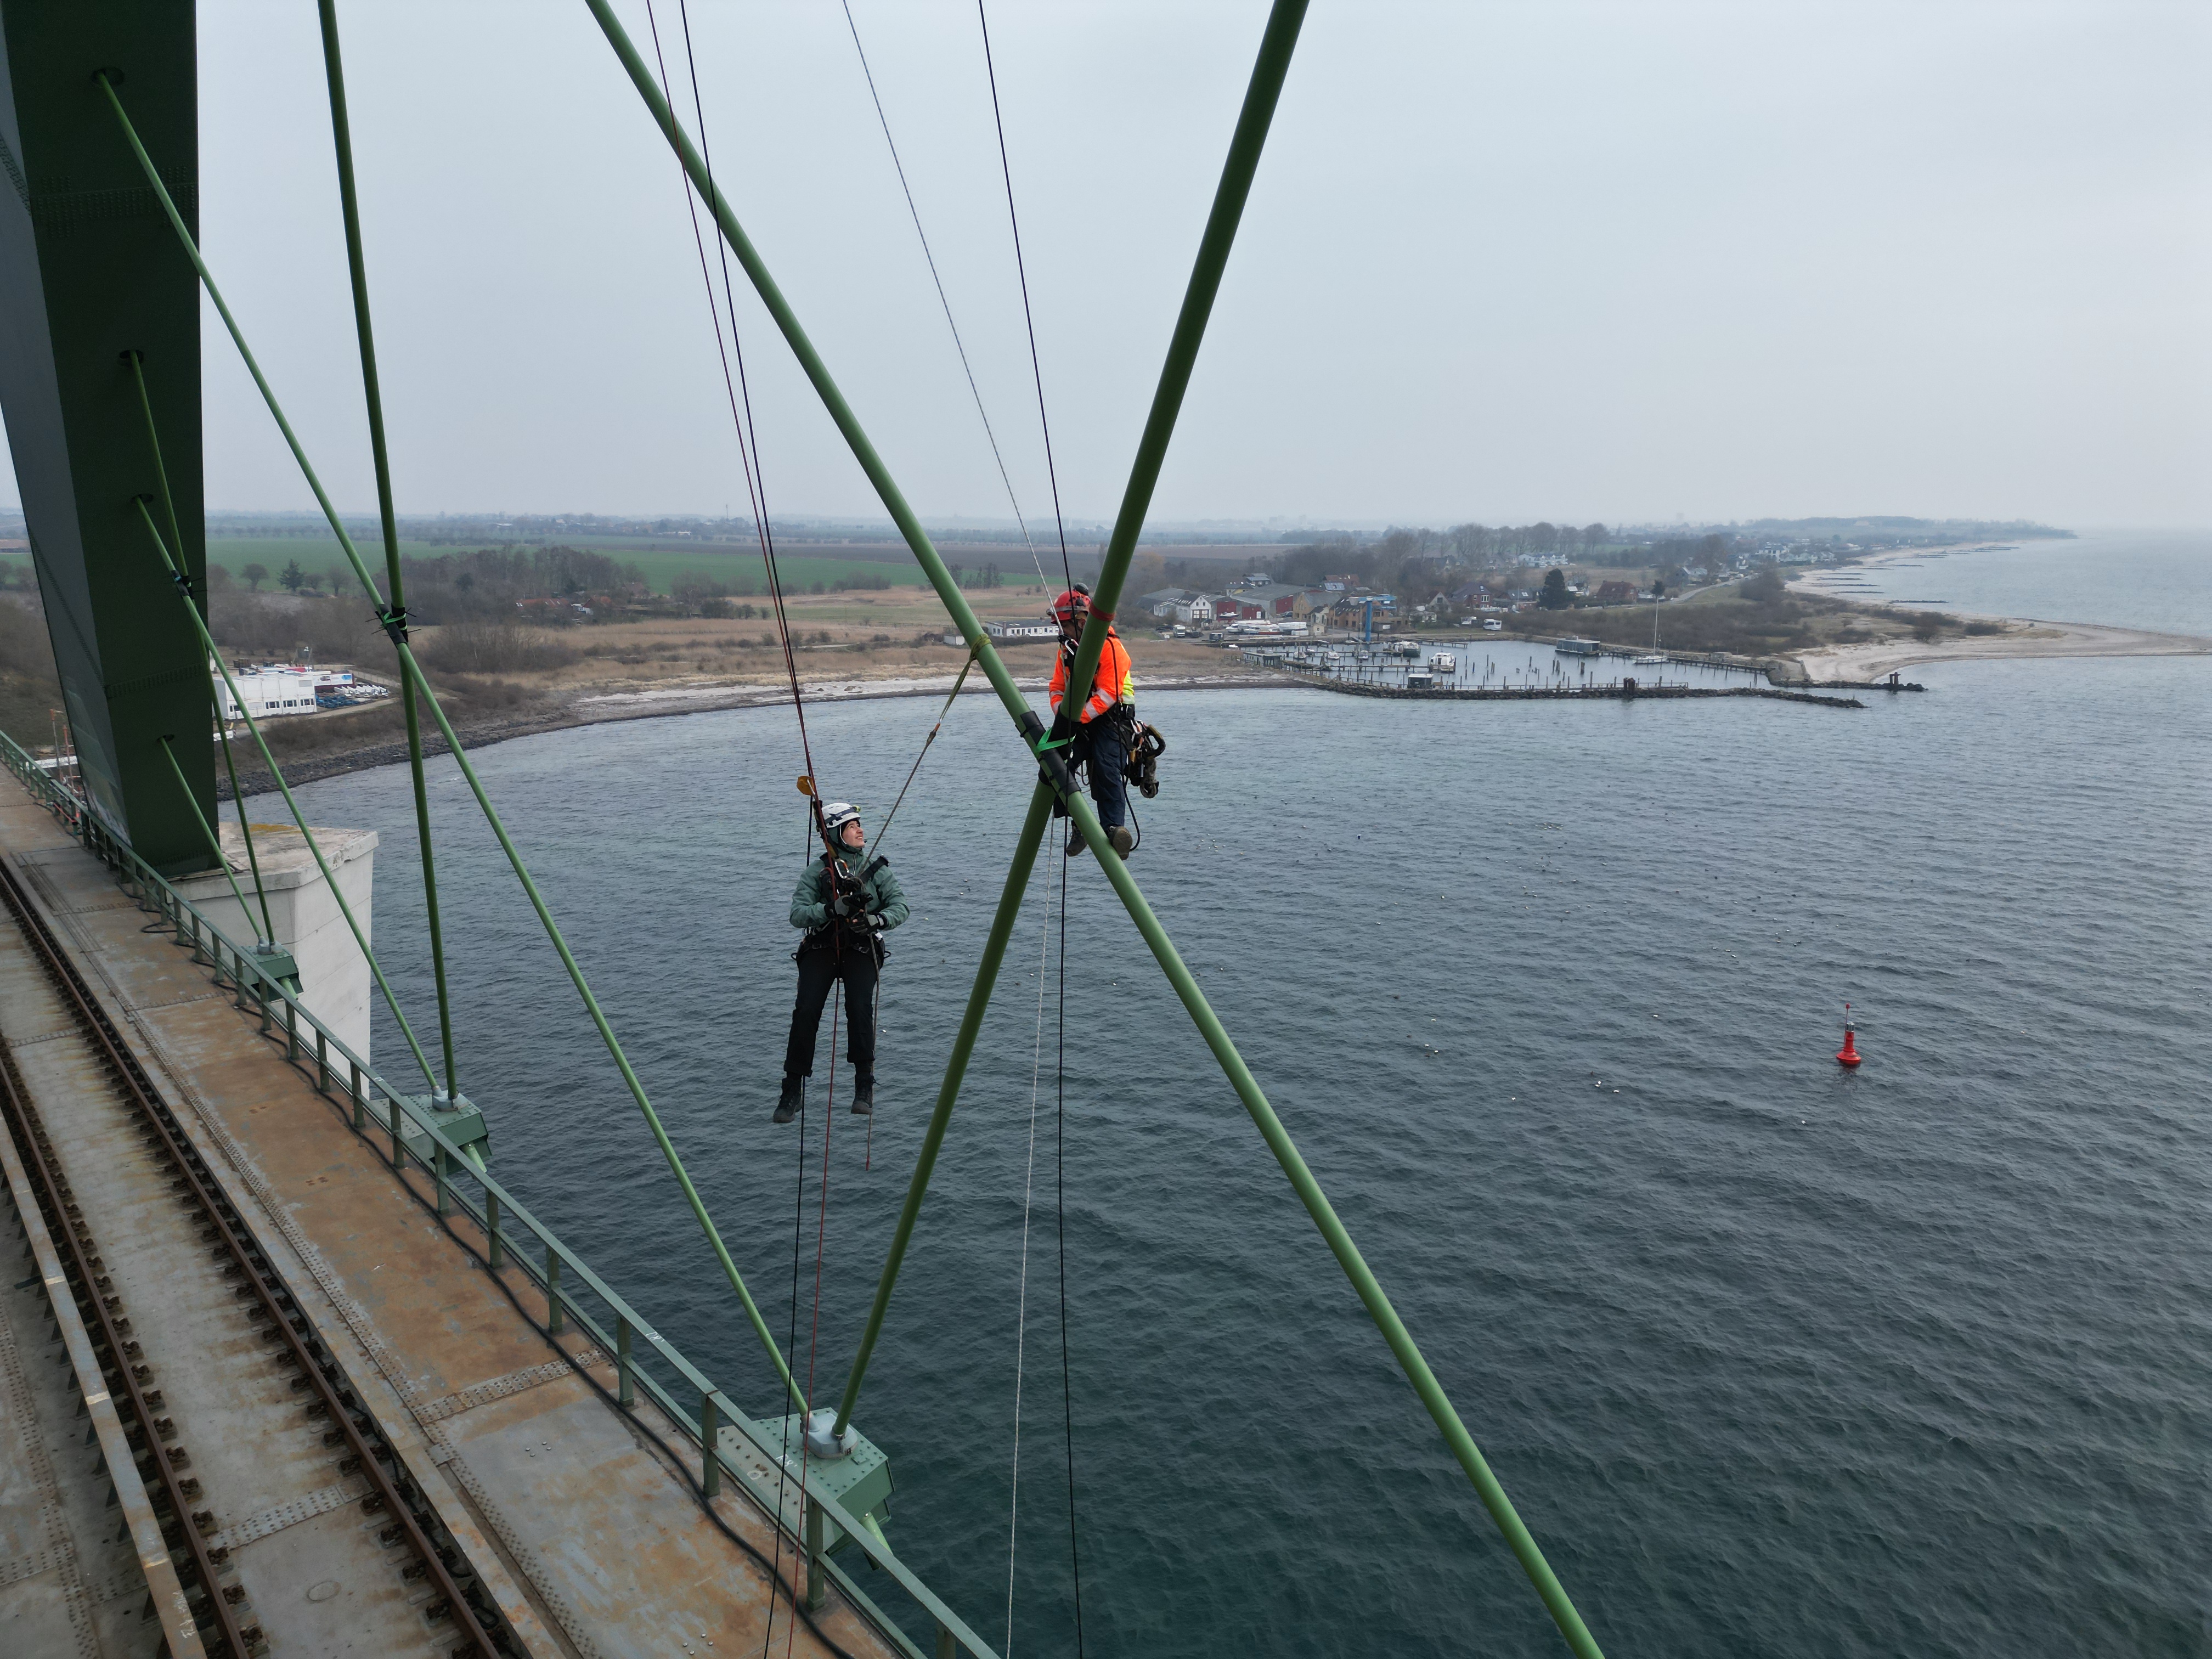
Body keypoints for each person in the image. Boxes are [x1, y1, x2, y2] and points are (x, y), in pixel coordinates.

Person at [776, 803, 907, 1123]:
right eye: (852, 826)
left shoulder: (877, 870)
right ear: (837, 834)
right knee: (806, 1008)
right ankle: (792, 1089)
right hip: (823, 943)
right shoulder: (818, 872)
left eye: (859, 824)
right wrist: (830, 909)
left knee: (859, 1005)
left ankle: (864, 1084)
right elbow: (797, 915)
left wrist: (876, 921)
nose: (861, 830)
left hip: (861, 946)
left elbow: (901, 906)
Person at [1047, 586, 1137, 859]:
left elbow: (1109, 694)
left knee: (1107, 767)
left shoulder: (1111, 647)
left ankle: (1114, 828)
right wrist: (1062, 714)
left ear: (1081, 622)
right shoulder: (1067, 652)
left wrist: (1076, 718)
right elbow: (1056, 687)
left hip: (1113, 718)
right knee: (1056, 765)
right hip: (1081, 716)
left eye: (1064, 625)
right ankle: (1081, 824)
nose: (1061, 632)